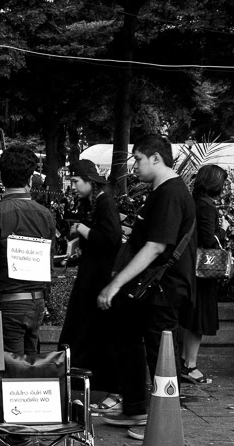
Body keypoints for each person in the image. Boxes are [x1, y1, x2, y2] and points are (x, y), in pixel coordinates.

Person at [98, 134, 196, 428]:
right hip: (151, 288)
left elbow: (155, 246)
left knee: (159, 354)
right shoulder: (162, 192)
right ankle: (136, 408)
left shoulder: (170, 193)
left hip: (163, 289)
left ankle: (165, 425)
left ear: (156, 158)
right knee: (128, 339)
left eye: (138, 159)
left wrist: (115, 284)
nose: (135, 166)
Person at [0, 145, 57, 355]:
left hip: (7, 303)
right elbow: (49, 262)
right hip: (36, 301)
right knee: (31, 364)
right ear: (30, 180)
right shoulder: (46, 215)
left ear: (1, 177)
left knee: (10, 366)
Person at [57, 160, 122, 412]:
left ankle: (107, 386)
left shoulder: (105, 203)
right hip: (92, 277)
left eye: (75, 181)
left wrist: (82, 229)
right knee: (83, 330)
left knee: (95, 332)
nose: (72, 186)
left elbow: (110, 238)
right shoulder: (96, 202)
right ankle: (76, 380)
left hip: (99, 280)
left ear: (89, 181)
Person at [181, 164, 227, 385]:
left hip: (191, 267)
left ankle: (185, 362)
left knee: (192, 318)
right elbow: (208, 239)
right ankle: (190, 365)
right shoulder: (207, 206)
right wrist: (223, 229)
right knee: (199, 319)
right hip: (204, 271)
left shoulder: (194, 201)